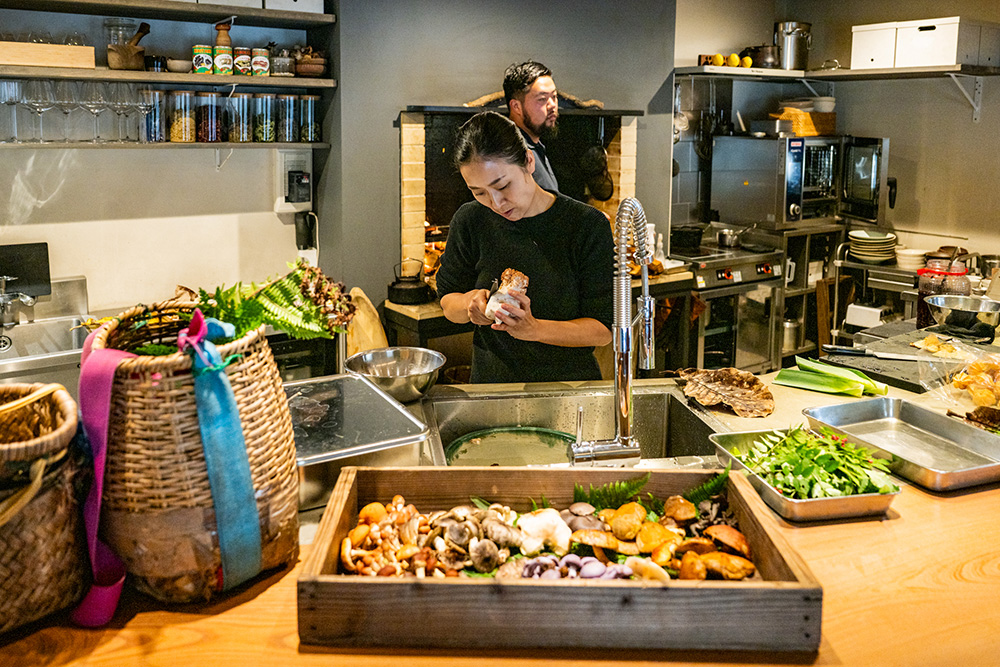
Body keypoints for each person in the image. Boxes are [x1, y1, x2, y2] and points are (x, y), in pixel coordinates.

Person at [435, 111, 613, 383]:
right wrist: (470, 305)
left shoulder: (586, 225)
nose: (496, 203)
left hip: (567, 387)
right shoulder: (471, 219)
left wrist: (534, 329)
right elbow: (448, 301)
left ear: (529, 162)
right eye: (479, 192)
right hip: (492, 389)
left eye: (503, 185)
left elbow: (601, 330)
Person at [503, 61, 560, 193]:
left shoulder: (534, 145)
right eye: (542, 99)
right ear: (516, 106)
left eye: (554, 97)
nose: (552, 105)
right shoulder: (512, 153)